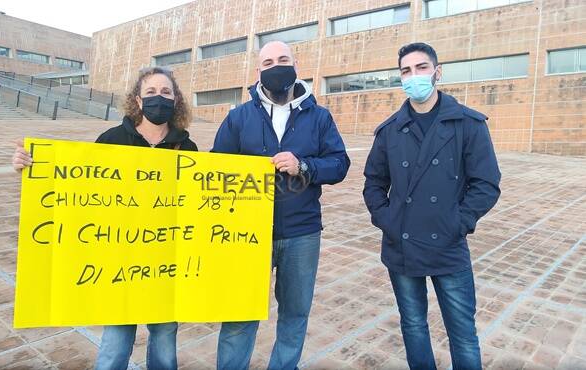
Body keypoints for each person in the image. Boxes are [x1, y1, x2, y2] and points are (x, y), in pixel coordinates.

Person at [12, 67, 198, 370]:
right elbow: (80, 190)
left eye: (166, 92)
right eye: (150, 93)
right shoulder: (111, 139)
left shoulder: (188, 148)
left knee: (165, 341)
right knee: (115, 346)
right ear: (138, 100)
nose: (158, 98)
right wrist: (29, 165)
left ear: (176, 99)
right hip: (119, 263)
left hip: (166, 262)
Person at [211, 40, 351, 370]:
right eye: (269, 61)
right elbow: (216, 170)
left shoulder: (318, 117)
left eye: (283, 59)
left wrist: (304, 165)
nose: (277, 66)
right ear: (258, 71)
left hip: (302, 233)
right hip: (248, 235)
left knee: (295, 314)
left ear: (295, 64)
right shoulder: (238, 118)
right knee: (239, 315)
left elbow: (339, 164)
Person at [363, 42, 501, 370]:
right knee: (413, 326)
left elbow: (486, 184)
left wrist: (459, 222)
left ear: (437, 72)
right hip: (402, 246)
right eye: (406, 71)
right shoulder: (389, 130)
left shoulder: (467, 124)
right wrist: (387, 220)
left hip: (448, 245)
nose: (414, 76)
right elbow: (373, 183)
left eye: (421, 68)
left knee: (463, 333)